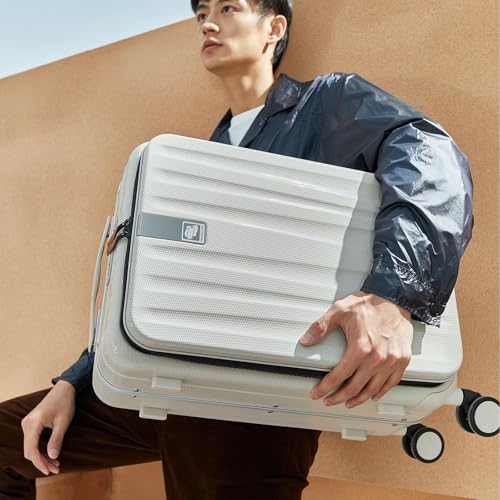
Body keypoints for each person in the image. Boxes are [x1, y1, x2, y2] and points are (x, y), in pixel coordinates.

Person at [0, 0, 474, 499]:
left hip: (258, 395)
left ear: (274, 28)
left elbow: (427, 153)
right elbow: (158, 286)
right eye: (201, 12)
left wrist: (393, 296)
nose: (208, 22)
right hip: (166, 375)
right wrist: (74, 381)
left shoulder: (326, 103)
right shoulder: (207, 152)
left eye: (228, 7)